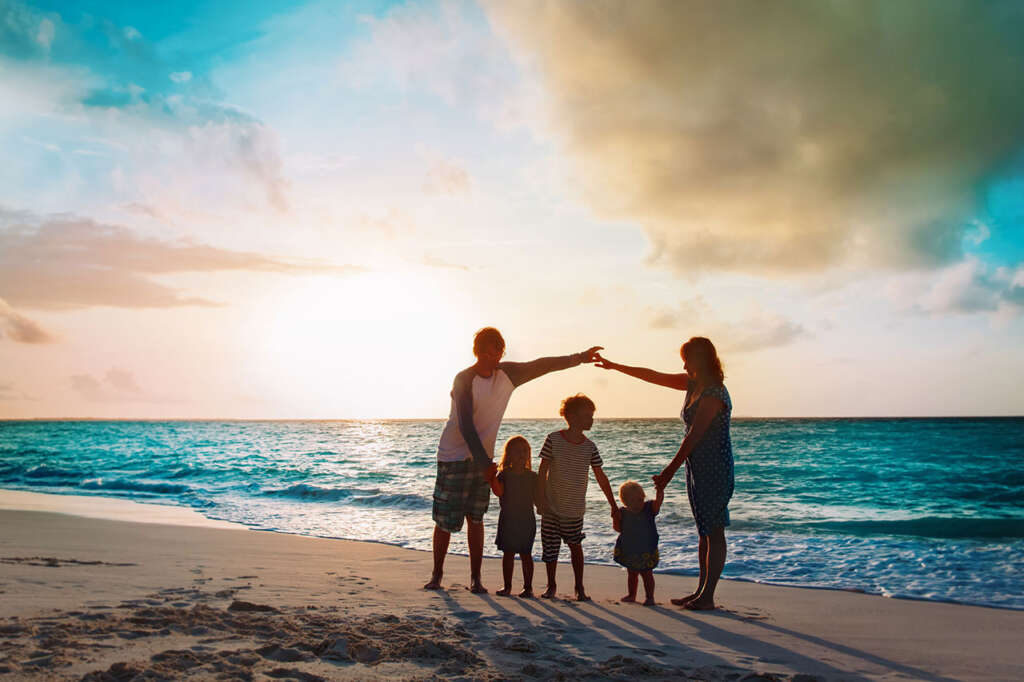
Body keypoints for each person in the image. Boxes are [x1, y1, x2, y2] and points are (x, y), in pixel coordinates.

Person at [425, 327, 602, 593]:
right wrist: (486, 463)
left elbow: (542, 365)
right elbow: (466, 424)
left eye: (498, 351)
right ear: (479, 351)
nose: (494, 357)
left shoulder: (506, 374)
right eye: (489, 351)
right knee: (445, 521)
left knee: (476, 517)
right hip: (454, 456)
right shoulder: (464, 379)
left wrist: (579, 357)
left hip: (483, 459)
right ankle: (437, 574)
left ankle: (476, 578)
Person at [595, 337, 733, 610]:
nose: (684, 364)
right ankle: (700, 592)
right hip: (697, 468)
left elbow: (694, 436)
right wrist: (615, 366)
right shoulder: (693, 385)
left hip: (715, 468)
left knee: (714, 531)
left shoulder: (715, 393)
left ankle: (708, 596)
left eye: (688, 358)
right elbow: (653, 376)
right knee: (703, 531)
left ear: (703, 359)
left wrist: (669, 471)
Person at [536, 393, 618, 601]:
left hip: (574, 509)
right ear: (571, 417)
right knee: (551, 549)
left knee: (575, 546)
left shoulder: (589, 447)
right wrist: (540, 499)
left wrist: (613, 505)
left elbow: (601, 476)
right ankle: (551, 585)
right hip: (552, 506)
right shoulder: (553, 439)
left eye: (591, 416)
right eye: (587, 416)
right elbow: (542, 471)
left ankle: (579, 587)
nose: (591, 420)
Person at [490, 435, 538, 597]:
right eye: (518, 451)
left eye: (525, 451)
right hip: (508, 520)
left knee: (526, 554)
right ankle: (507, 586)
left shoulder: (532, 476)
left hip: (526, 520)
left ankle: (528, 587)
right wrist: (491, 476)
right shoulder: (504, 475)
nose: (522, 454)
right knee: (508, 553)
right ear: (509, 454)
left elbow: (538, 499)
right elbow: (498, 492)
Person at [614, 480, 664, 606]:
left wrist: (660, 490)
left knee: (647, 573)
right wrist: (615, 517)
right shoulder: (623, 513)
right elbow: (618, 529)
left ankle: (650, 597)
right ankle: (632, 595)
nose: (637, 504)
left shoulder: (648, 508)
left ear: (643, 497)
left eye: (640, 500)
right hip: (630, 548)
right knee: (632, 573)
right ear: (625, 502)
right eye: (633, 501)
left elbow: (658, 503)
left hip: (647, 548)